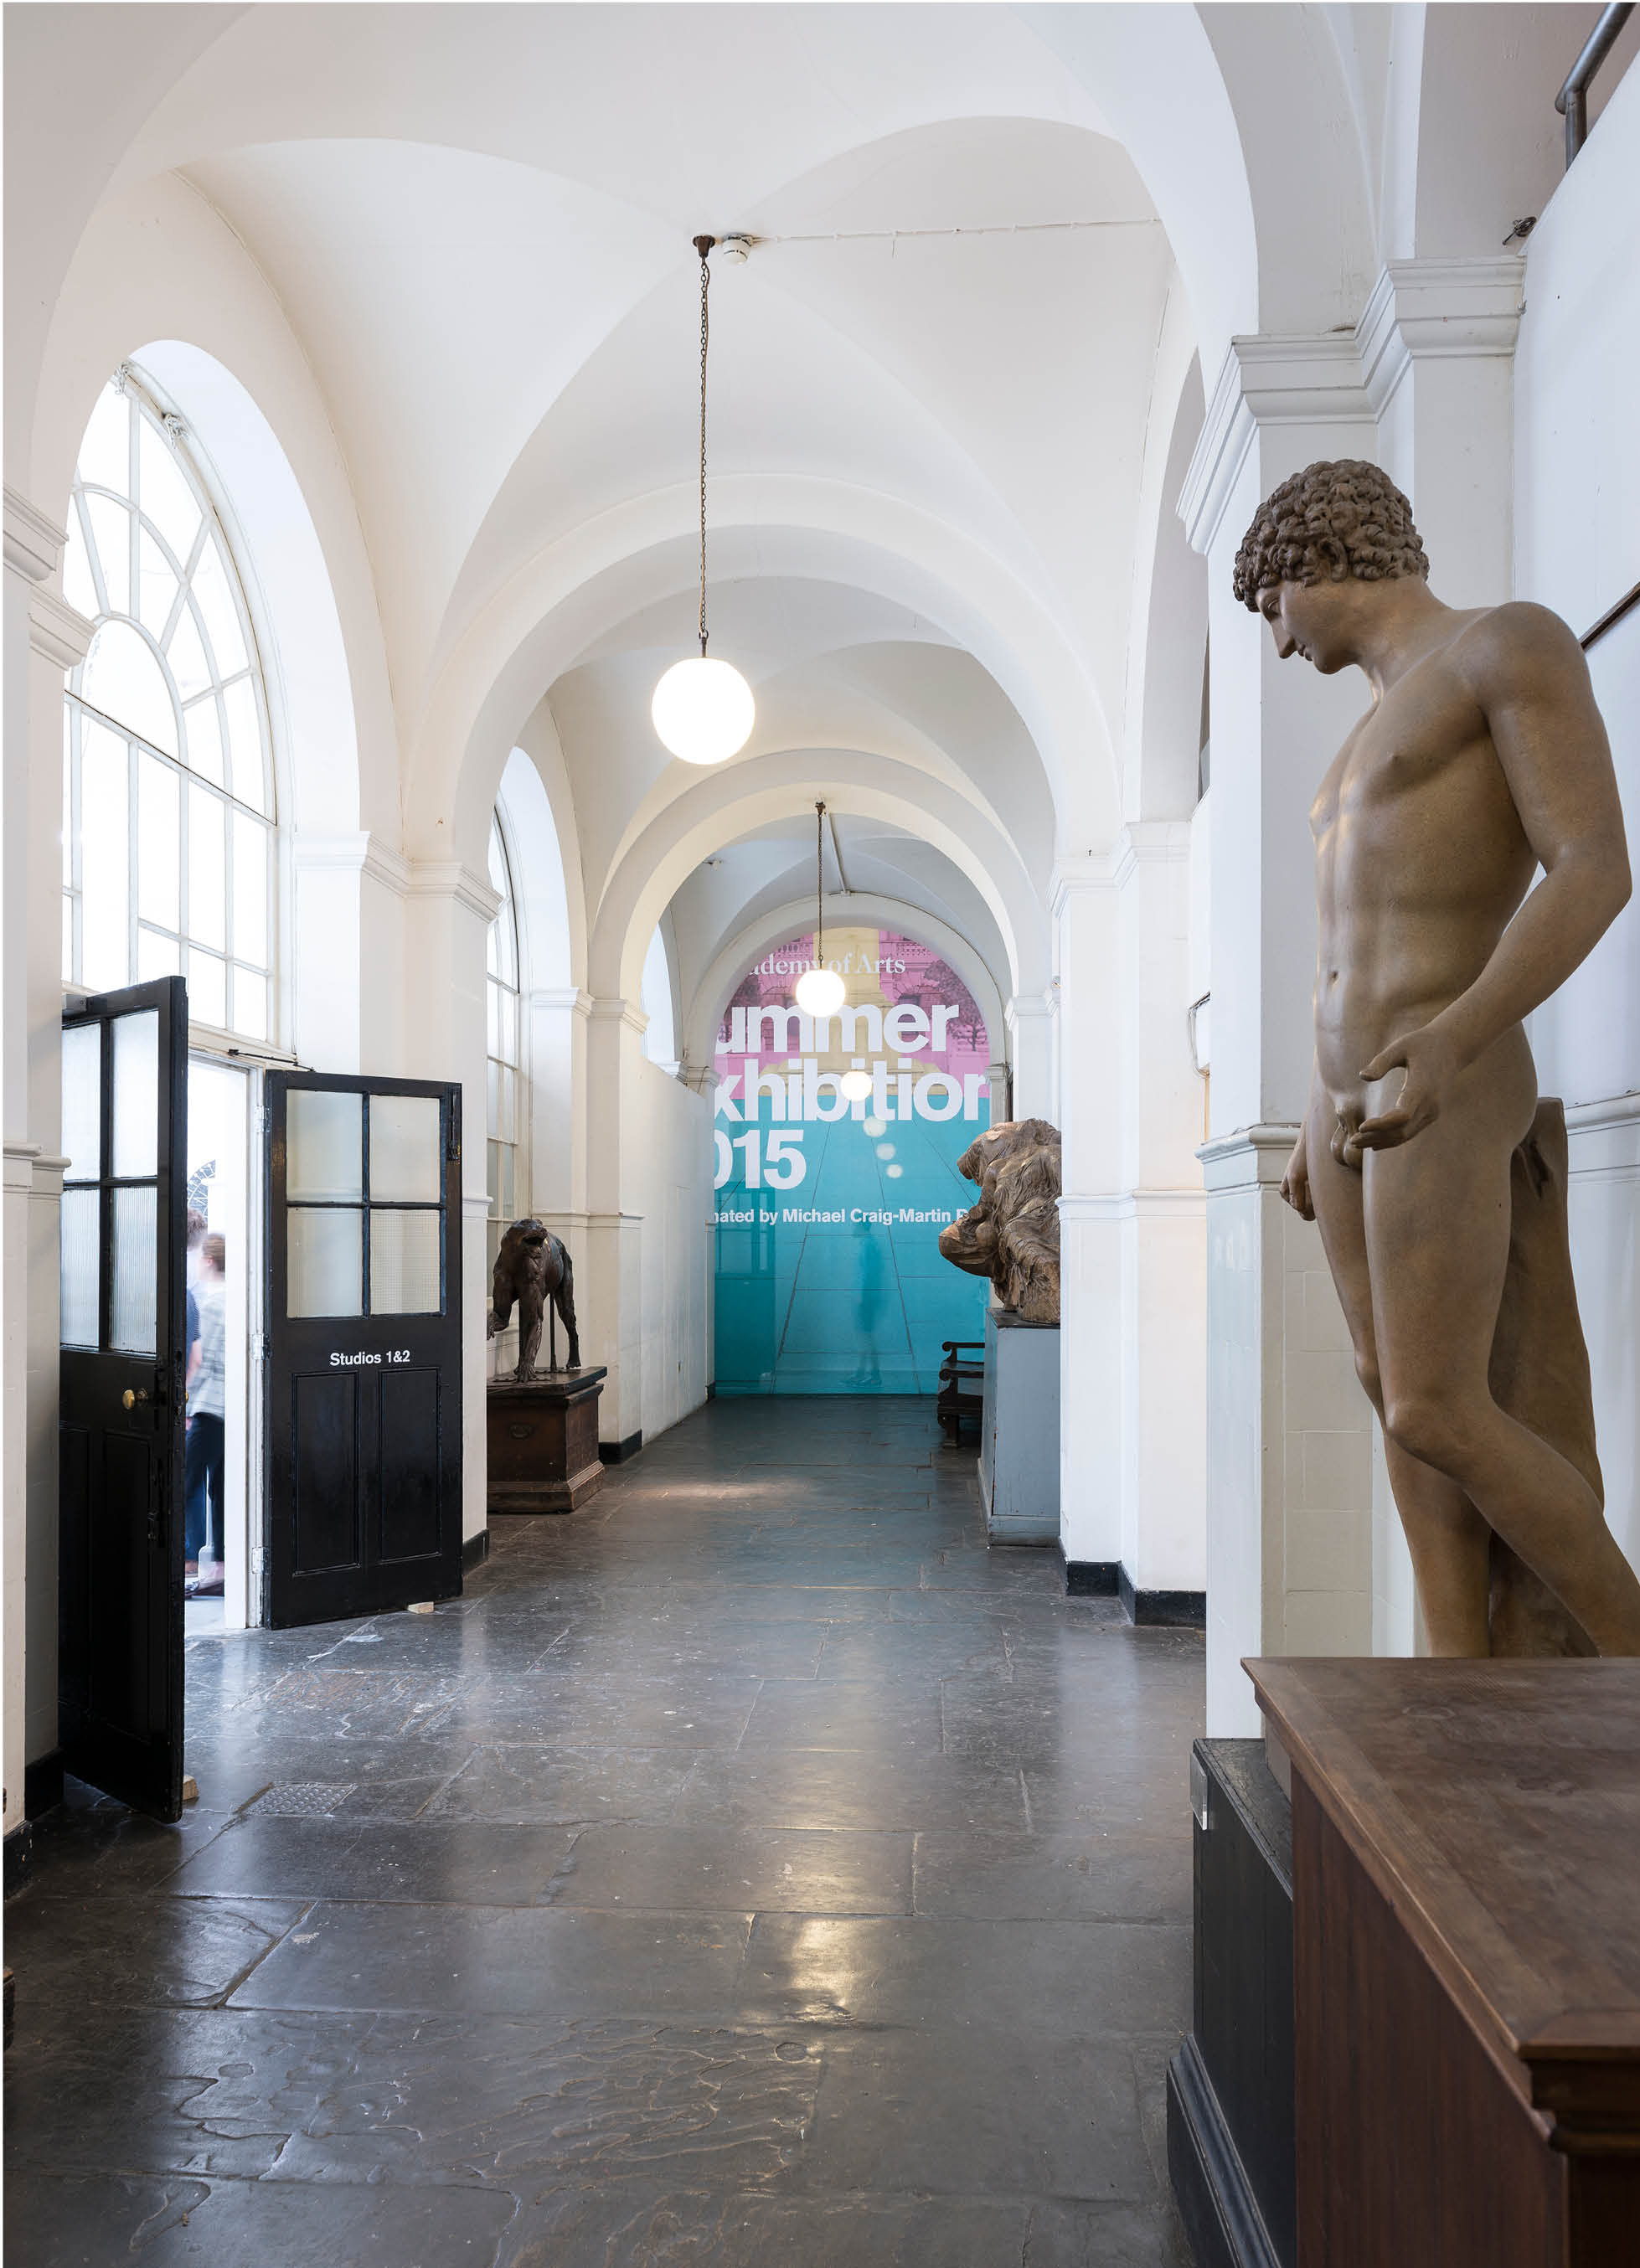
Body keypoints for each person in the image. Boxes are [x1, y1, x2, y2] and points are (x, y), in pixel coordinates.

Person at [1236, 459, 1640, 1656]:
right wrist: (1310, 1106)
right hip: (1346, 1093)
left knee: (1435, 1404)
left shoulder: (1504, 645)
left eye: (1271, 605)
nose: (1275, 640)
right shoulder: (1364, 731)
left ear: (1321, 557)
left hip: (1441, 1071)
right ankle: (1453, 1666)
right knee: (1386, 1390)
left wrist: (1458, 1037)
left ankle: (1626, 1645)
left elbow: (1591, 868)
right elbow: (1343, 942)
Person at [184, 1231, 227, 1597]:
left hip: (209, 1407)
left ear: (209, 1261)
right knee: (221, 1490)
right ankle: (221, 1569)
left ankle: (175, 1561)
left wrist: (185, 1405)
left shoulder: (211, 1305)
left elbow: (200, 1361)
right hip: (232, 1411)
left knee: (183, 1483)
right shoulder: (241, 1299)